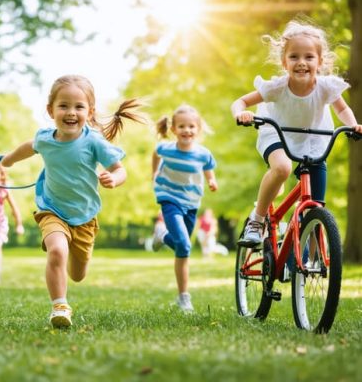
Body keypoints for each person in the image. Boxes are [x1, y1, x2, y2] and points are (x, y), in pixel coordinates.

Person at [0, 74, 145, 328]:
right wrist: (8, 160)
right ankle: (60, 306)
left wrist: (114, 178)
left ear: (89, 111)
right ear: (50, 110)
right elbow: (28, 146)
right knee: (57, 250)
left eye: (79, 107)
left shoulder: (93, 142)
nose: (71, 112)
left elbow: (121, 170)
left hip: (85, 217)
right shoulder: (45, 138)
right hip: (51, 209)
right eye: (63, 105)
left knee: (78, 274)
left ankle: (68, 264)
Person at [231, 19, 362, 246]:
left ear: (319, 62)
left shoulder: (326, 86)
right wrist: (241, 113)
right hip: (277, 133)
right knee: (281, 169)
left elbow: (342, 108)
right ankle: (257, 220)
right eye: (294, 57)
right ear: (284, 62)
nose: (302, 63)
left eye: (309, 57)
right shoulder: (277, 88)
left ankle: (305, 260)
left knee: (316, 206)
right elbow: (241, 101)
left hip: (313, 139)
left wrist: (353, 125)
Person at [151, 104, 218, 312]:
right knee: (185, 245)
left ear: (198, 129)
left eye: (191, 126)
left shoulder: (203, 154)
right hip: (169, 198)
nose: (186, 130)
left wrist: (212, 181)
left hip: (191, 203)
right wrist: (154, 174)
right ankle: (185, 298)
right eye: (181, 126)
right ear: (173, 130)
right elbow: (155, 153)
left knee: (182, 247)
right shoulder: (167, 149)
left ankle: (162, 235)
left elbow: (208, 168)